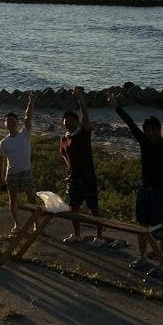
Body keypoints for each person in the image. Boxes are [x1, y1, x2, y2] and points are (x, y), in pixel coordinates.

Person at [110, 88, 163, 263]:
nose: (151, 133)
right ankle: (142, 258)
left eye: (154, 129)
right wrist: (116, 107)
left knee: (162, 228)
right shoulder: (144, 142)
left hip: (161, 190)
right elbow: (131, 124)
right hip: (145, 189)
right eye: (148, 130)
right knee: (142, 225)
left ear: (159, 130)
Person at [60, 87, 105, 245]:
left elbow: (86, 118)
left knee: (94, 207)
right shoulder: (64, 139)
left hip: (87, 176)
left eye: (71, 120)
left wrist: (80, 100)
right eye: (66, 121)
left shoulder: (83, 134)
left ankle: (99, 236)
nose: (68, 123)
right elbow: (65, 156)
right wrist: (68, 172)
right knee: (74, 208)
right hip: (74, 178)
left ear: (76, 122)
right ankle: (77, 234)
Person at [0, 91, 37, 232]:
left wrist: (31, 102)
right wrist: (0, 178)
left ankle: (36, 224)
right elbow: (0, 162)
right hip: (12, 174)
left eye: (13, 120)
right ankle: (17, 224)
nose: (10, 122)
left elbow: (28, 117)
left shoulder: (25, 134)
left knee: (32, 199)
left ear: (17, 122)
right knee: (13, 200)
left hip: (26, 172)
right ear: (5, 124)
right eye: (8, 121)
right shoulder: (4, 142)